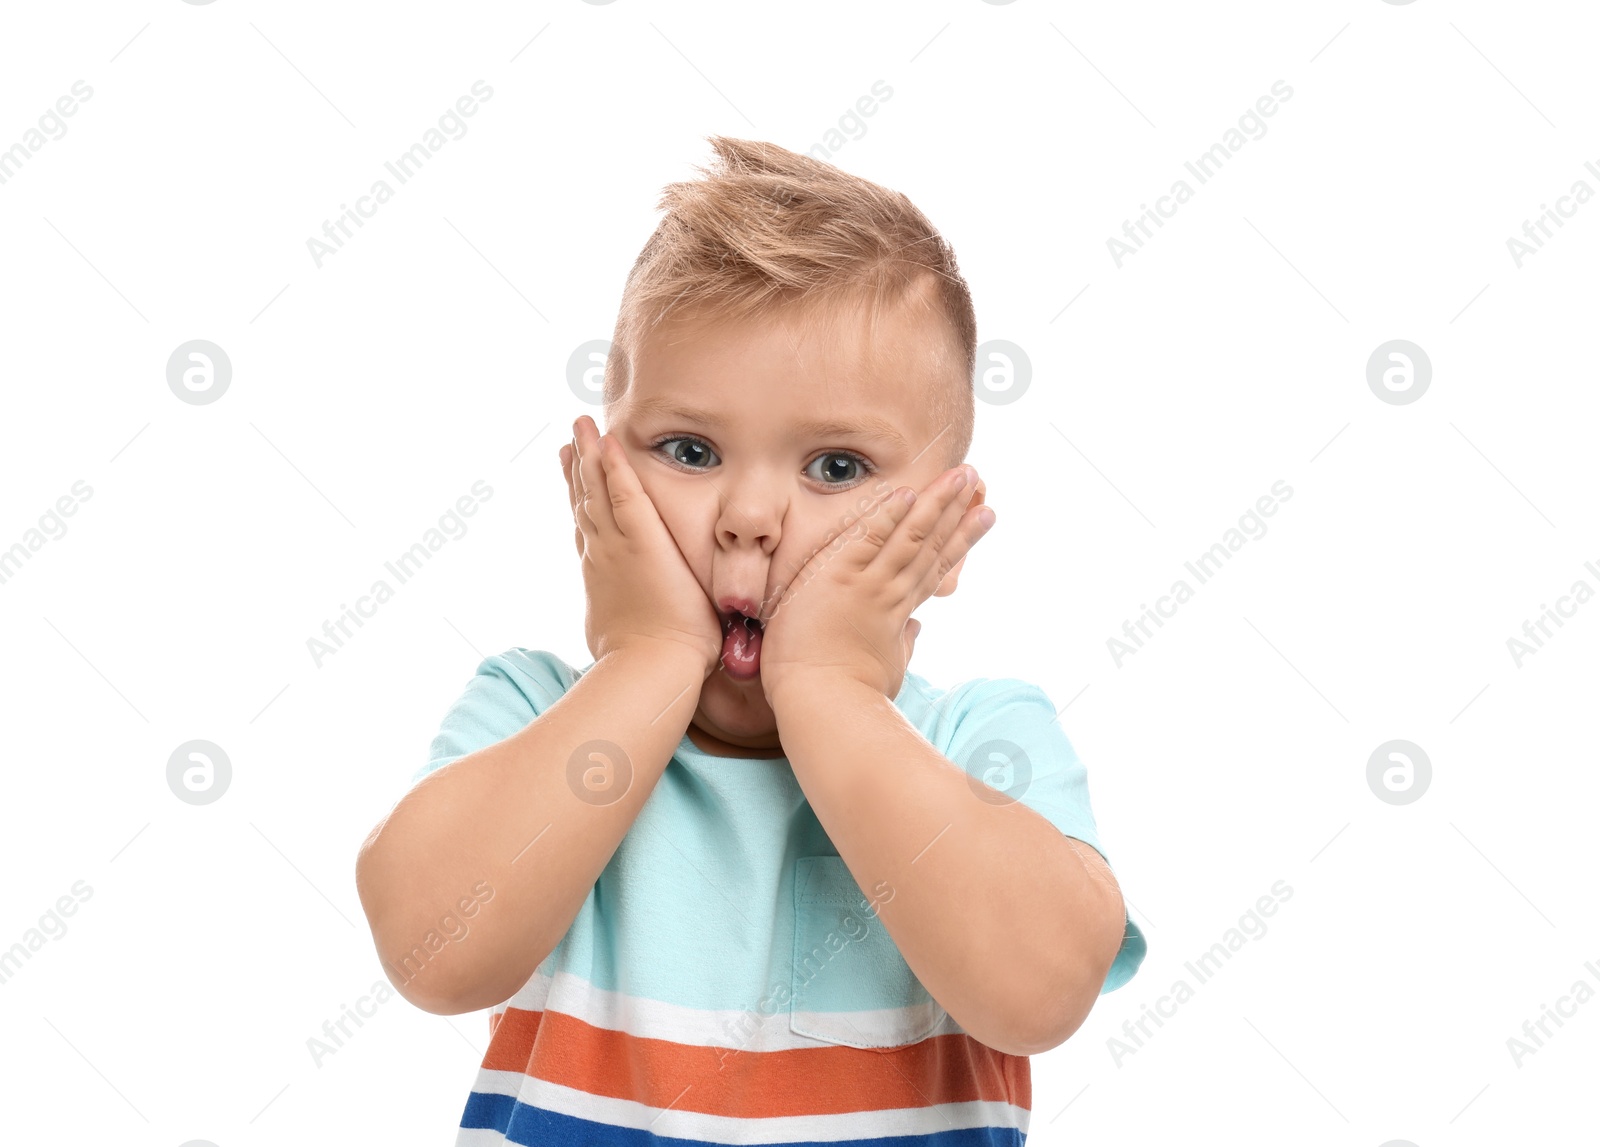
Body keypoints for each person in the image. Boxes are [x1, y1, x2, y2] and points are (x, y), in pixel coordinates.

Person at [355, 135, 1147, 1145]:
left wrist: (829, 687)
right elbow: (433, 955)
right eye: (688, 450)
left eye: (835, 466)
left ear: (945, 535)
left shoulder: (978, 737)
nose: (750, 515)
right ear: (595, 484)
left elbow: (1039, 994)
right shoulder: (534, 712)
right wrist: (643, 659)